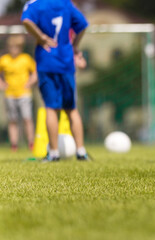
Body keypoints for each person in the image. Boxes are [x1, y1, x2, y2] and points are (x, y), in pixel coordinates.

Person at [21, 0, 91, 161]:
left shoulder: (36, 4)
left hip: (47, 61)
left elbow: (26, 20)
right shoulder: (65, 3)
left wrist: (41, 37)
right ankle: (81, 152)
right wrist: (74, 46)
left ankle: (53, 153)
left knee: (51, 108)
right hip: (66, 62)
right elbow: (83, 25)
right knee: (71, 109)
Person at [0, 35, 37, 152]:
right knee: (13, 120)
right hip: (10, 94)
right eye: (11, 47)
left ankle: (31, 143)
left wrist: (30, 83)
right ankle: (14, 145)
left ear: (20, 48)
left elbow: (36, 72)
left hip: (24, 94)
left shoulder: (26, 59)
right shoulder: (4, 60)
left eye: (16, 47)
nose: (14, 50)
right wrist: (2, 84)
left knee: (27, 118)